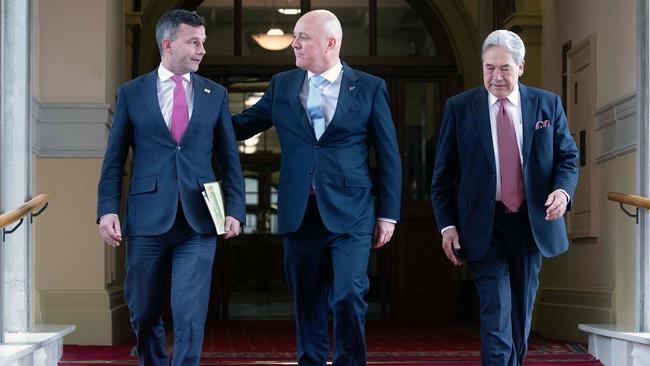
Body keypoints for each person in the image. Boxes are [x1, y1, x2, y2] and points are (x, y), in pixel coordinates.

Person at [232, 9, 401, 366]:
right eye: (294, 36)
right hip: (298, 211)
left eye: (303, 37)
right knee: (306, 298)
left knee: (348, 294)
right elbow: (242, 126)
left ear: (331, 43)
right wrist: (198, 117)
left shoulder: (370, 87)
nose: (294, 43)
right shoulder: (283, 85)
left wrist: (389, 214)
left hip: (352, 213)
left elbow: (389, 156)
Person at [96, 9, 245, 366]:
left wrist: (235, 210)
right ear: (168, 44)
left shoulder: (216, 94)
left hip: (199, 222)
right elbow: (114, 159)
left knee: (189, 312)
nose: (202, 50)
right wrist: (107, 209)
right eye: (194, 42)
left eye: (203, 42)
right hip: (147, 220)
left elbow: (229, 158)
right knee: (144, 311)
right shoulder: (132, 93)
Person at [430, 30, 578, 366]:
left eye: (505, 69)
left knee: (519, 321)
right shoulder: (460, 108)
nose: (496, 77)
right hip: (484, 225)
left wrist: (562, 191)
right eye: (489, 68)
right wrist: (447, 226)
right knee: (496, 316)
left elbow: (567, 158)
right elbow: (441, 177)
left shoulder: (546, 104)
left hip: (530, 223)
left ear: (521, 66)